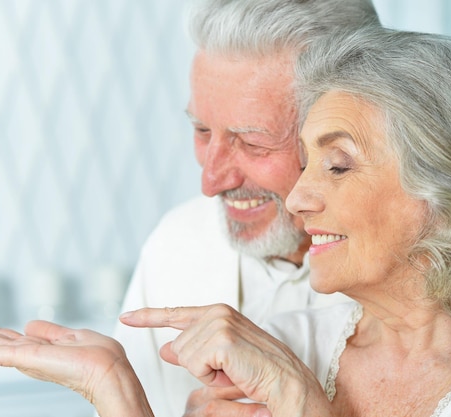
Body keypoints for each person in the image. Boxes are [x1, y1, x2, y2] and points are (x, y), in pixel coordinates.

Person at [0, 27, 451, 417]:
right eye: (201, 131)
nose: (299, 198)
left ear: (448, 186)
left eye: (337, 165)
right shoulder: (287, 343)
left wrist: (303, 404)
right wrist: (115, 387)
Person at [113, 0, 379, 415]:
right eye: (202, 131)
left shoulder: (417, 282)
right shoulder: (176, 242)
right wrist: (113, 389)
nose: (211, 182)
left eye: (253, 143)